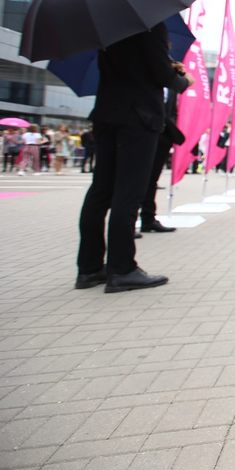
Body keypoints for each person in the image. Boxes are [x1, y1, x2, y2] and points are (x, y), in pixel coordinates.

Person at [77, 20, 192, 293]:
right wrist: (183, 78)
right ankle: (122, 269)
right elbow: (162, 76)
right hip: (138, 119)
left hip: (107, 114)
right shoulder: (150, 25)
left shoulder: (107, 26)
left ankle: (89, 268)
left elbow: (132, 66)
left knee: (100, 191)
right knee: (128, 193)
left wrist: (165, 67)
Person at [140, 89, 184, 235]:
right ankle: (128, 220)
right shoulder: (148, 80)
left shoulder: (171, 88)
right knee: (136, 179)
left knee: (152, 179)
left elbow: (173, 110)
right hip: (141, 131)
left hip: (163, 134)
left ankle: (148, 219)